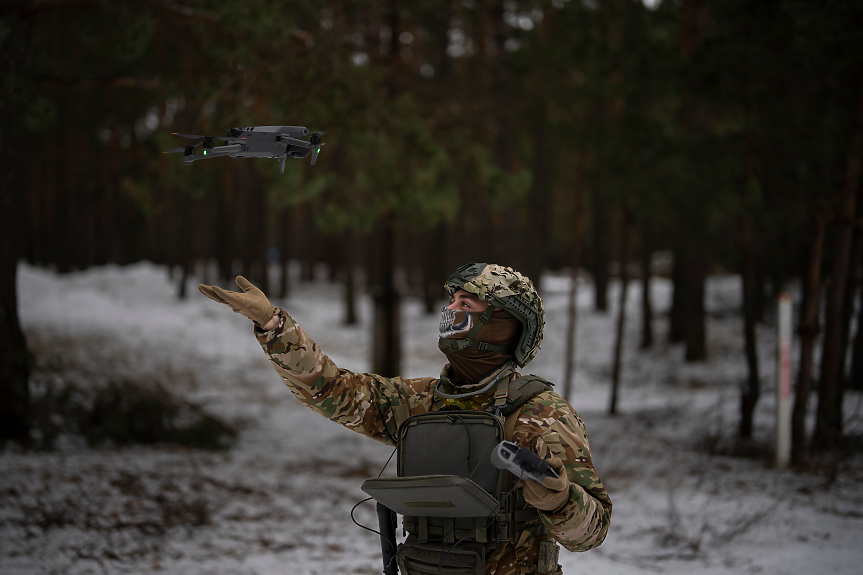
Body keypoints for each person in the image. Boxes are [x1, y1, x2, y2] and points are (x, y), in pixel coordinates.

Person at [198, 263, 611, 575]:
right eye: (451, 302)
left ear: (504, 326)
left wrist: (561, 501)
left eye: (465, 304)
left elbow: (591, 533)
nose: (450, 311)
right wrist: (273, 325)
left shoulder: (543, 414)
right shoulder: (423, 401)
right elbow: (334, 391)